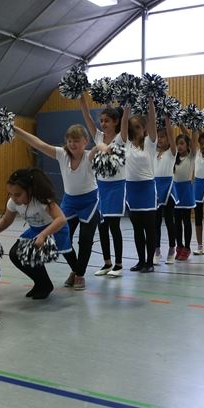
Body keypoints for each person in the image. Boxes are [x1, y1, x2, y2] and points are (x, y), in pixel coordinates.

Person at [12, 124, 98, 291]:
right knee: (63, 238)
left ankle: (80, 275)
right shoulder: (61, 154)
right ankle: (76, 269)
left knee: (85, 240)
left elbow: (98, 148)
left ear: (85, 141)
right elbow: (38, 143)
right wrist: (16, 129)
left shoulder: (89, 156)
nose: (72, 144)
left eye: (76, 140)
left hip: (90, 202)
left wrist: (104, 147)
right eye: (69, 140)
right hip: (69, 202)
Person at [0, 168, 73, 299]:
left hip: (55, 230)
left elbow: (61, 219)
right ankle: (41, 283)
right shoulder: (13, 202)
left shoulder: (42, 200)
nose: (13, 198)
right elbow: (6, 220)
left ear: (29, 190)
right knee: (15, 254)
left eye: (17, 194)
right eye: (10, 194)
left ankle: (52, 283)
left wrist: (43, 235)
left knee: (32, 252)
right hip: (35, 230)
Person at [79, 98, 124, 277]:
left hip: (117, 186)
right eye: (102, 121)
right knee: (102, 226)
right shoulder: (98, 137)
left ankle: (119, 265)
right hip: (101, 186)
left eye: (107, 121)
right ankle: (107, 263)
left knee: (114, 226)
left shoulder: (121, 138)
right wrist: (81, 97)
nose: (103, 124)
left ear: (116, 122)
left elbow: (126, 117)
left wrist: (126, 103)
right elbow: (87, 117)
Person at [118, 97, 158, 273]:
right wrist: (127, 104)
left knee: (150, 229)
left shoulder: (150, 143)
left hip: (147, 189)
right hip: (132, 190)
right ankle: (141, 261)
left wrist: (150, 102)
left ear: (144, 129)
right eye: (131, 127)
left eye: (138, 127)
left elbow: (152, 121)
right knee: (137, 230)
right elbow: (123, 124)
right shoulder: (125, 144)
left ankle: (150, 262)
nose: (134, 130)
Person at [153, 116, 178, 264]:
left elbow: (171, 135)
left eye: (163, 136)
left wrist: (167, 119)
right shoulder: (153, 152)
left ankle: (172, 249)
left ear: (168, 139)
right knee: (155, 222)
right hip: (155, 188)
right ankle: (156, 250)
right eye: (158, 137)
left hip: (168, 188)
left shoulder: (172, 152)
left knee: (169, 221)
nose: (160, 139)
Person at [172, 130, 196, 260]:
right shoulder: (174, 158)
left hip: (186, 190)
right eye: (178, 144)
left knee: (186, 220)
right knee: (177, 221)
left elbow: (193, 141)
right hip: (175, 190)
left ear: (187, 145)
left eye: (182, 143)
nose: (179, 146)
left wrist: (182, 125)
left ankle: (187, 247)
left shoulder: (191, 156)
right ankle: (179, 246)